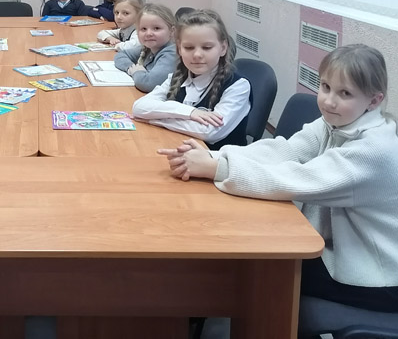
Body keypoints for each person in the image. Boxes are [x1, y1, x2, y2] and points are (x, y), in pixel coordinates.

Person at [159, 44, 398, 314]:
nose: (329, 101)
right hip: (341, 250)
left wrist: (217, 169)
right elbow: (284, 150)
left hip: (377, 276)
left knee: (253, 265)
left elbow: (299, 179)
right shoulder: (335, 122)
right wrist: (213, 156)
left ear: (374, 101)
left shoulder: (375, 149)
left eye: (345, 93)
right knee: (237, 249)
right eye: (326, 87)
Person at [132, 9, 251, 149]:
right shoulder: (177, 77)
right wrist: (190, 112)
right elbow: (139, 108)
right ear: (179, 49)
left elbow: (209, 132)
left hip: (215, 159)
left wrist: (155, 119)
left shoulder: (238, 86)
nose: (197, 55)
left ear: (223, 48)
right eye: (188, 47)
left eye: (207, 47)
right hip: (176, 148)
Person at [114, 3, 178, 93]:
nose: (148, 33)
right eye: (143, 29)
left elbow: (148, 84)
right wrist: (131, 69)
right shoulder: (147, 48)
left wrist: (137, 72)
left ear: (172, 31)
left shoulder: (171, 54)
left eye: (156, 28)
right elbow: (120, 55)